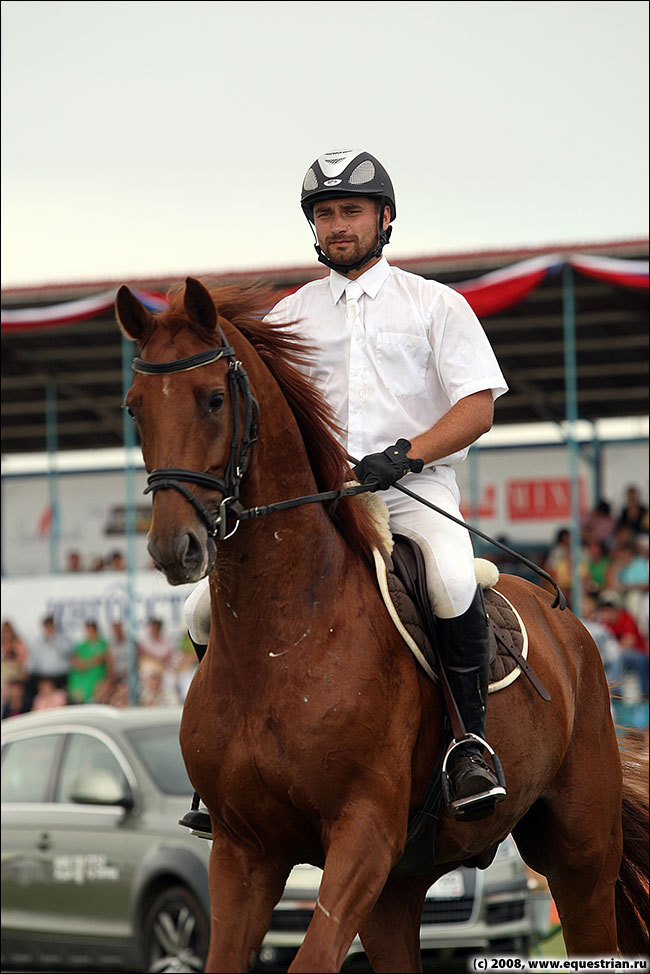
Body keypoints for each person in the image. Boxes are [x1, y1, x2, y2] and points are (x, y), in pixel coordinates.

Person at [182, 149, 508, 828]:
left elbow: (477, 405)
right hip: (315, 504)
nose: (337, 225)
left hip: (409, 490)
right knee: (197, 616)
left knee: (450, 580)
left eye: (350, 211)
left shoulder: (434, 304)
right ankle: (225, 760)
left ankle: (468, 745)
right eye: (325, 213)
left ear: (384, 219)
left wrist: (405, 454)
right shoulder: (291, 317)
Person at [23, 615, 72, 712]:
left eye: (50, 626)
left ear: (53, 627)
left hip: (59, 676)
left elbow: (67, 653)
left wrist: (53, 641)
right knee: (27, 687)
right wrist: (27, 670)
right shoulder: (38, 642)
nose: (48, 629)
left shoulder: (63, 640)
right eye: (46, 627)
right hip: (43, 675)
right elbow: (33, 659)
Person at [67, 620, 110, 705]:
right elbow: (76, 662)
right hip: (81, 675)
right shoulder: (81, 646)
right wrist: (89, 662)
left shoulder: (102, 644)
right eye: (87, 630)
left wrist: (86, 663)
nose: (89, 633)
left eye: (91, 630)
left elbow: (102, 659)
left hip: (96, 676)